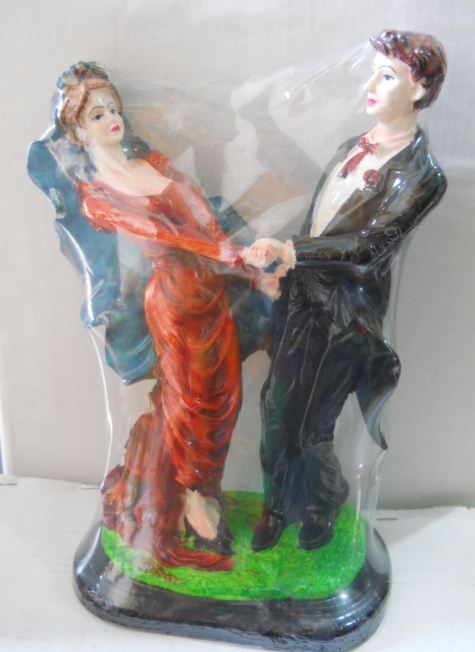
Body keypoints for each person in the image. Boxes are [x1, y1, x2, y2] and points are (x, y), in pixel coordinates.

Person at [57, 62, 277, 571]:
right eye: (96, 115)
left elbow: (203, 219)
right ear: (79, 133)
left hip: (213, 291)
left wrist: (244, 267)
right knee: (193, 401)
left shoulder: (155, 161)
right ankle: (195, 500)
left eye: (113, 108)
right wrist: (234, 257)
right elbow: (167, 235)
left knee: (226, 396)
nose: (112, 118)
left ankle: (204, 488)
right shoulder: (97, 196)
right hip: (175, 302)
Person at [251, 29, 448, 552]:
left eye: (386, 76)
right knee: (275, 410)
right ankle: (276, 505)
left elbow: (368, 245)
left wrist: (292, 251)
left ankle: (323, 503)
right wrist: (282, 270)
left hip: (344, 314)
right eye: (372, 73)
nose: (370, 86)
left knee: (312, 426)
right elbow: (319, 221)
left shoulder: (423, 176)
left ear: (418, 90)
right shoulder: (349, 149)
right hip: (300, 299)